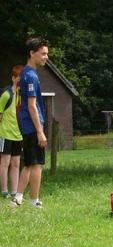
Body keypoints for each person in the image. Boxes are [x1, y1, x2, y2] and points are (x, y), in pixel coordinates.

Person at [10, 37, 49, 208]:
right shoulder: (31, 76)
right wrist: (40, 131)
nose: (45, 57)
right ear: (32, 53)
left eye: (46, 54)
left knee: (29, 163)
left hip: (26, 125)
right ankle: (34, 201)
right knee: (37, 165)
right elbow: (32, 106)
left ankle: (17, 198)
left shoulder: (25, 73)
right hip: (33, 126)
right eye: (43, 54)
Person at [0, 65, 23, 199]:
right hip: (5, 134)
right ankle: (4, 192)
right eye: (18, 78)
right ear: (13, 78)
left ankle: (14, 192)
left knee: (16, 164)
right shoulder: (6, 94)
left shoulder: (22, 95)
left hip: (18, 135)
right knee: (5, 163)